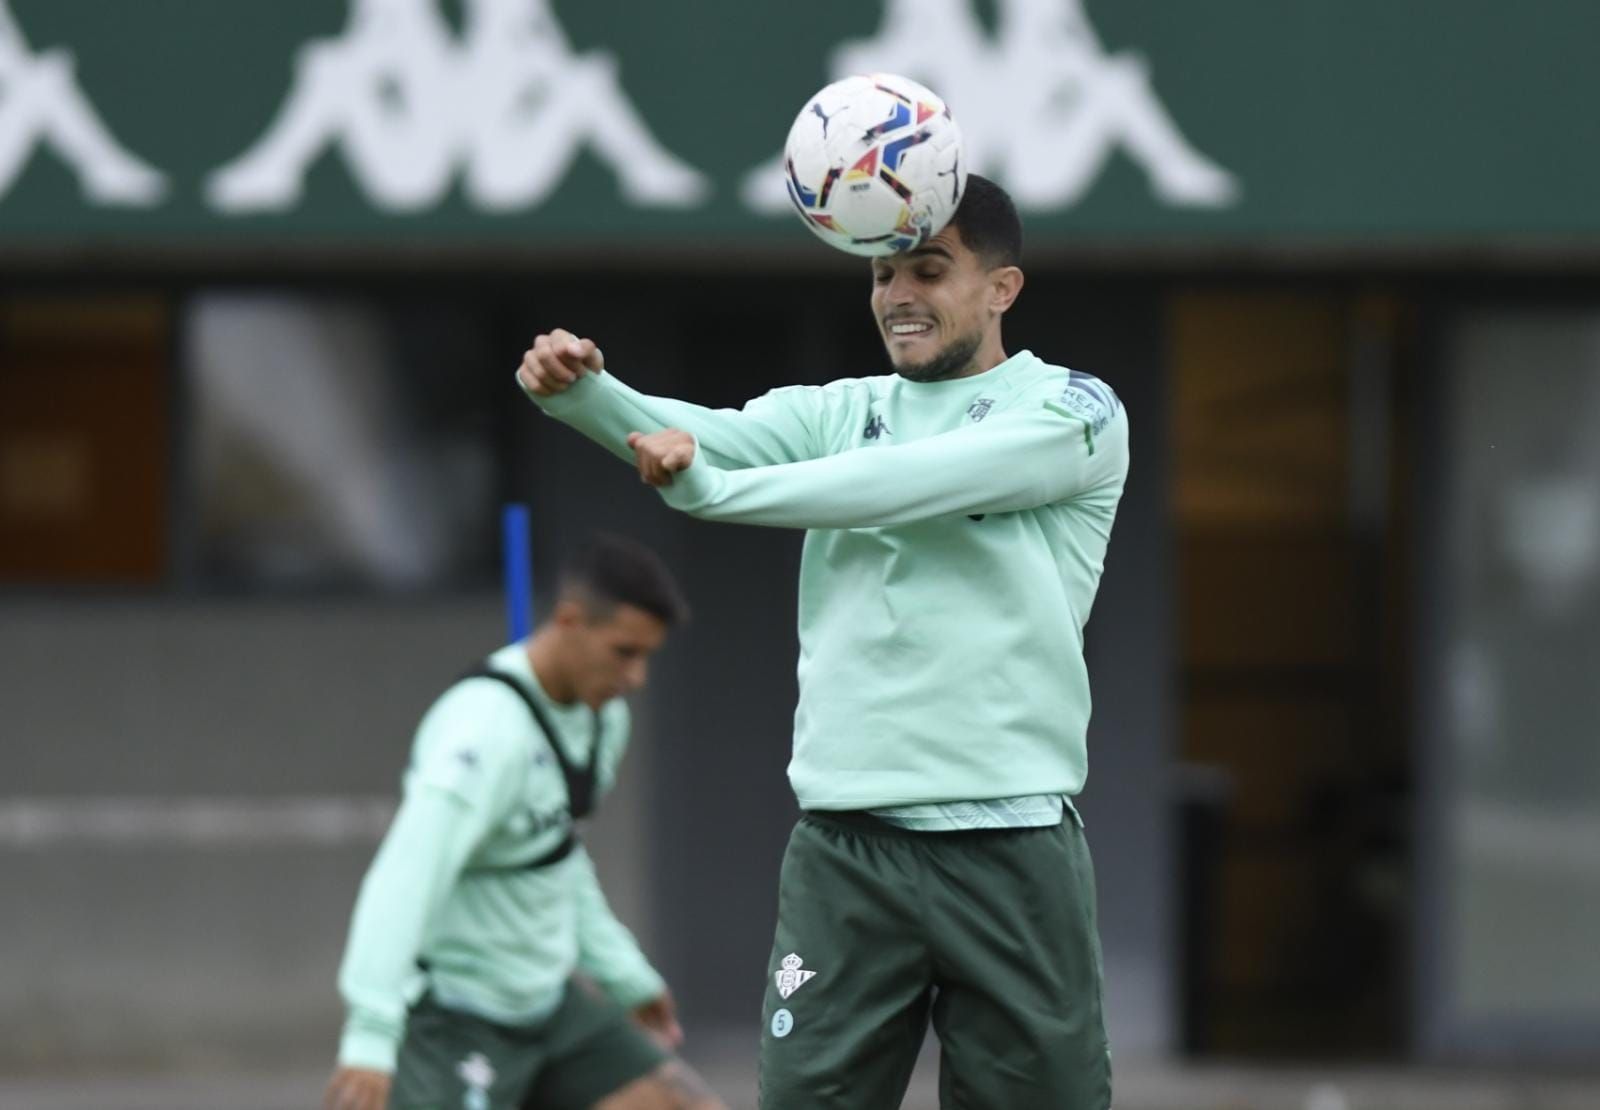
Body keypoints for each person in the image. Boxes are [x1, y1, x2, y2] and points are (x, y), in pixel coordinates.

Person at [517, 175, 1127, 1109]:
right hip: (848, 851)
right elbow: (702, 436)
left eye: (928, 269)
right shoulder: (840, 411)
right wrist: (586, 395)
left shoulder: (1075, 411)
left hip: (1011, 845)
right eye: (883, 273)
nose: (898, 297)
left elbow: (903, 483)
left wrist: (714, 495)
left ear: (1002, 289)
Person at [324, 534, 725, 1110]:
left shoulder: (601, 720)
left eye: (647, 657)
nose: (636, 678)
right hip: (454, 1017)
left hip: (550, 1008)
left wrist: (623, 974)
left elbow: (556, 854)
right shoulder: (484, 737)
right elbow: (403, 880)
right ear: (569, 620)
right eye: (623, 651)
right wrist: (370, 1033)